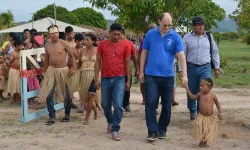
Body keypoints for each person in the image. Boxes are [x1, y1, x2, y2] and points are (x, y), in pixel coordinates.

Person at [139, 13, 188, 141]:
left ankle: (162, 129)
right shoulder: (150, 35)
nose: (167, 27)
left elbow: (181, 56)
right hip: (151, 75)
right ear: (159, 22)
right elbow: (144, 53)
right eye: (165, 25)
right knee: (150, 102)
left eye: (170, 25)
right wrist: (141, 71)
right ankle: (152, 131)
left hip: (167, 76)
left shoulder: (176, 37)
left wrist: (184, 74)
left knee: (167, 104)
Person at [179, 16, 221, 120]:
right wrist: (181, 70)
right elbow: (182, 54)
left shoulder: (208, 37)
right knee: (192, 90)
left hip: (205, 67)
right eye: (198, 25)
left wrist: (216, 67)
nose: (201, 27)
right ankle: (192, 110)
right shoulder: (187, 37)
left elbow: (214, 52)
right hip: (191, 67)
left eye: (202, 25)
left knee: (205, 90)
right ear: (193, 26)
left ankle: (201, 111)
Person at [95, 23, 131, 141]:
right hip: (105, 78)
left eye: (119, 35)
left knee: (118, 105)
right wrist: (96, 78)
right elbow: (98, 62)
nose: (117, 37)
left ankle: (115, 129)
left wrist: (128, 80)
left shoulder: (125, 45)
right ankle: (110, 121)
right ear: (109, 33)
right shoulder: (102, 45)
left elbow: (127, 63)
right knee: (105, 104)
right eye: (114, 34)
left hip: (120, 78)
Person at [40, 25, 76, 125]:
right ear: (49, 34)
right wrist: (45, 72)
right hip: (51, 70)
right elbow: (46, 60)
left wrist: (74, 68)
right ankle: (52, 116)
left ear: (58, 33)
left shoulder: (63, 43)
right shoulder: (47, 45)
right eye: (52, 33)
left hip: (63, 70)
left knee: (67, 93)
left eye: (56, 33)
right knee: (49, 93)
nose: (54, 35)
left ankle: (67, 115)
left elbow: (72, 56)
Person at [184, 78, 222, 147]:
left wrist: (220, 112)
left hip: (210, 118)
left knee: (207, 130)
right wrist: (187, 88)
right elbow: (192, 97)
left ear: (210, 87)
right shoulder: (200, 94)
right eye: (200, 86)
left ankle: (205, 142)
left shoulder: (213, 96)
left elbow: (218, 104)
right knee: (202, 129)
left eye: (202, 86)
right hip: (201, 117)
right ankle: (201, 141)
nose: (200, 87)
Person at [77, 33, 99, 125]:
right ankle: (95, 109)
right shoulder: (82, 51)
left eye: (87, 40)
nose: (85, 41)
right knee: (85, 98)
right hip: (83, 75)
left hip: (94, 75)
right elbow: (79, 63)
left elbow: (101, 64)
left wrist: (97, 76)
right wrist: (74, 70)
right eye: (84, 40)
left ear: (93, 41)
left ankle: (87, 118)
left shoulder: (97, 50)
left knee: (90, 96)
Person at [138, 23, 157, 105]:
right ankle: (144, 98)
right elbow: (140, 54)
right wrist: (139, 68)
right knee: (143, 83)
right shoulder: (144, 40)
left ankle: (152, 101)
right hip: (146, 65)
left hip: (155, 67)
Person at [121, 28, 139, 112]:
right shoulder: (113, 43)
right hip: (115, 71)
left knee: (127, 88)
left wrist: (137, 69)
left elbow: (135, 57)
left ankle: (126, 104)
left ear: (123, 34)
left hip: (127, 70)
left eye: (120, 34)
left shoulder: (130, 43)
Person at [6, 39, 23, 105]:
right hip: (13, 70)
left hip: (19, 70)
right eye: (21, 46)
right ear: (17, 46)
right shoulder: (13, 52)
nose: (22, 47)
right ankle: (15, 99)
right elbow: (9, 62)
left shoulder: (21, 52)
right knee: (15, 85)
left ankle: (17, 98)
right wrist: (14, 57)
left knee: (19, 85)